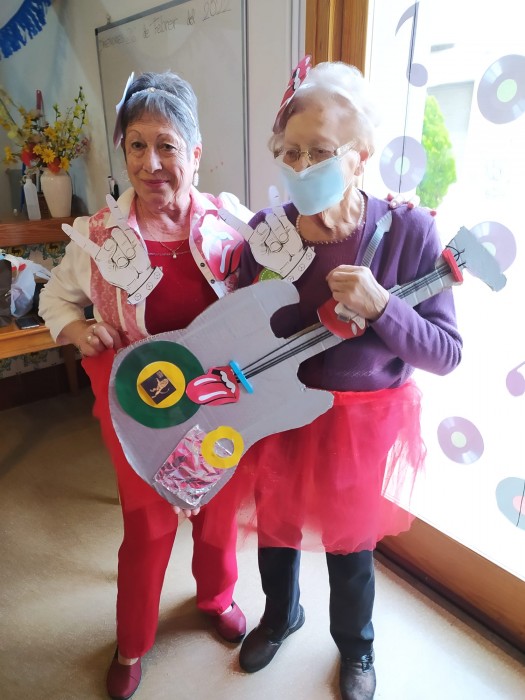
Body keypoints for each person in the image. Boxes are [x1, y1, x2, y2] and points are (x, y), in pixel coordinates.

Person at [232, 60, 463, 700]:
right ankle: (281, 616)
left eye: (321, 151)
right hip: (280, 411)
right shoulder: (267, 234)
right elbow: (237, 328)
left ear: (360, 157)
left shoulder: (410, 232)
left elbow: (447, 352)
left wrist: (384, 306)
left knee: (349, 546)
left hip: (360, 420)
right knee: (275, 529)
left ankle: (356, 647)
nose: (302, 166)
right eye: (290, 152)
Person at [39, 71, 253, 700]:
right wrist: (80, 329)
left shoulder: (230, 223)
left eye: (167, 145)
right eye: (137, 145)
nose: (151, 163)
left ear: (196, 153)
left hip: (219, 402)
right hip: (143, 408)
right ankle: (132, 641)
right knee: (149, 526)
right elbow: (55, 298)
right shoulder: (100, 235)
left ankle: (215, 598)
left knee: (217, 512)